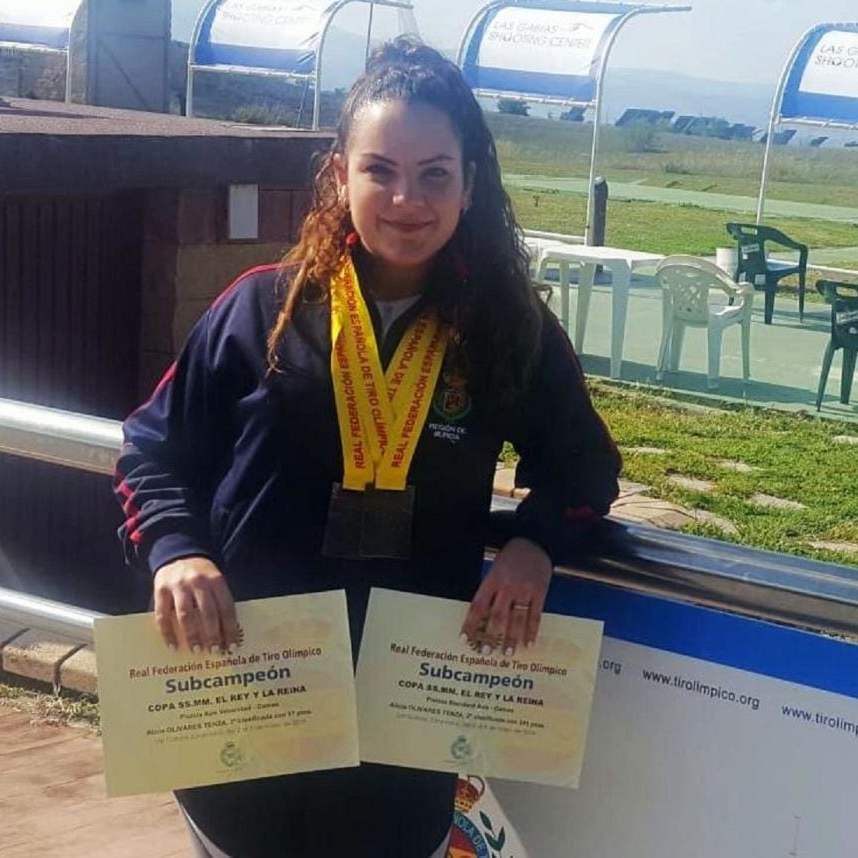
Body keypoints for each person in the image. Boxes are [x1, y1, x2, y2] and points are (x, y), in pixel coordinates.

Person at [114, 37, 621, 858]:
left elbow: (585, 467)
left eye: (434, 174)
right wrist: (176, 550)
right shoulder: (262, 308)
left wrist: (536, 543)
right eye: (380, 169)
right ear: (339, 175)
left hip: (402, 711)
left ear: (469, 184)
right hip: (249, 681)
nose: (406, 199)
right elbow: (152, 448)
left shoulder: (506, 329)